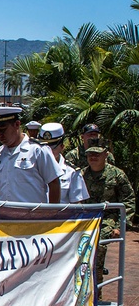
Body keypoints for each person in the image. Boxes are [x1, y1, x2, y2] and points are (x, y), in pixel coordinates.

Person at [81, 140, 135, 285]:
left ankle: (96, 292)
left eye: (97, 154)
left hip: (107, 218)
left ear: (105, 154)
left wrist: (120, 225)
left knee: (97, 246)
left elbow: (129, 200)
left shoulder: (117, 175)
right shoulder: (81, 175)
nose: (93, 157)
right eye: (90, 154)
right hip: (85, 218)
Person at [0, 107, 60, 203]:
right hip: (5, 216)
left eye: (3, 130)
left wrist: (51, 214)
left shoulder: (37, 150)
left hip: (33, 215)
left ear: (17, 124)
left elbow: (54, 183)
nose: (0, 135)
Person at [37, 122, 88, 203]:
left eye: (52, 148)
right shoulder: (30, 169)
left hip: (61, 215)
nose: (47, 152)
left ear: (62, 147)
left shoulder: (72, 172)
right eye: (43, 148)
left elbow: (76, 206)